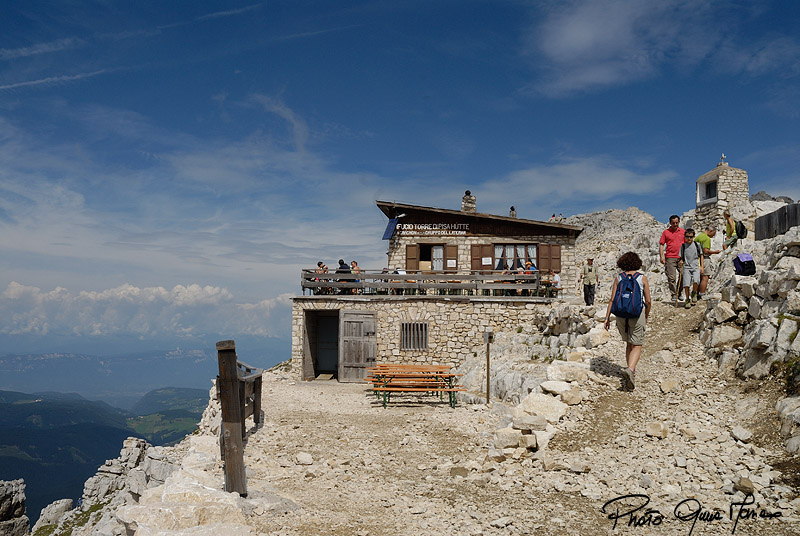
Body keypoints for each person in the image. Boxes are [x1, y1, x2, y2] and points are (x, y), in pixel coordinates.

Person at [603, 251, 651, 391]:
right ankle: (630, 369)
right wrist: (646, 315)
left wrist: (607, 318)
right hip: (637, 314)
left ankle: (630, 371)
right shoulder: (642, 278)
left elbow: (612, 299)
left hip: (621, 315)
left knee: (629, 343)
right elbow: (648, 300)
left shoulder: (619, 277)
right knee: (637, 344)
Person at [659, 215, 685, 302]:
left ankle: (679, 292)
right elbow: (662, 244)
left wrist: (685, 258)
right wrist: (661, 256)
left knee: (683, 275)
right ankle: (674, 294)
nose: (675, 224)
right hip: (670, 257)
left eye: (676, 222)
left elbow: (686, 245)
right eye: (673, 223)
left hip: (681, 257)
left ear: (679, 222)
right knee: (671, 278)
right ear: (670, 223)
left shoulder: (683, 232)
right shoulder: (666, 232)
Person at [694, 226, 720, 299]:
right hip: (704, 259)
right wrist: (715, 252)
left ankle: (695, 294)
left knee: (698, 277)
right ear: (710, 231)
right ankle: (702, 294)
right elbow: (706, 251)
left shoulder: (698, 237)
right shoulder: (707, 238)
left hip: (696, 259)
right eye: (713, 234)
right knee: (705, 277)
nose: (713, 236)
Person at [680, 229, 703, 308]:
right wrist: (681, 261)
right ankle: (687, 299)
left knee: (696, 280)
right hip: (686, 267)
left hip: (696, 266)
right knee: (686, 284)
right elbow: (681, 257)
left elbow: (701, 255)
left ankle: (694, 293)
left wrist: (701, 266)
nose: (689, 238)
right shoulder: (683, 246)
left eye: (691, 237)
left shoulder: (697, 245)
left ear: (693, 237)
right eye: (687, 237)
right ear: (685, 237)